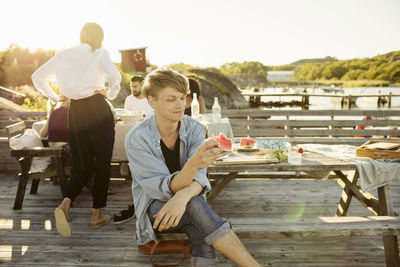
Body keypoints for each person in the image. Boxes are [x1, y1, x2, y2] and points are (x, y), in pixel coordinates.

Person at [125, 68, 261, 267]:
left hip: (187, 204)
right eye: (171, 99)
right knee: (196, 206)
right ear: (152, 102)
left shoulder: (195, 128)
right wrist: (194, 165)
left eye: (183, 97)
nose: (181, 105)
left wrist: (182, 197)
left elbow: (200, 178)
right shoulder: (137, 138)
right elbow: (164, 188)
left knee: (196, 217)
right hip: (155, 211)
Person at [32, 22, 121, 237]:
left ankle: (65, 204)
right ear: (99, 37)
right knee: (102, 162)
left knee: (82, 163)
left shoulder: (63, 54)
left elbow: (37, 77)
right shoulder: (99, 53)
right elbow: (115, 78)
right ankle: (96, 214)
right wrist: (108, 92)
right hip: (98, 109)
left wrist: (56, 96)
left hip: (76, 111)